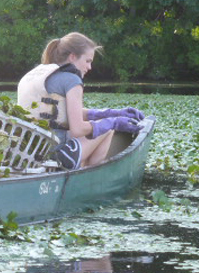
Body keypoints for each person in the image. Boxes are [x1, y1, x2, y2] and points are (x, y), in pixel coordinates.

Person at [17, 32, 144, 170]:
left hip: (29, 151)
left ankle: (85, 166)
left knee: (105, 123)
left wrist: (110, 113)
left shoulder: (38, 75)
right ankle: (91, 174)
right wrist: (112, 122)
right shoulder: (72, 80)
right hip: (58, 155)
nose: (89, 67)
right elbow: (77, 129)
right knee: (107, 129)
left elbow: (58, 113)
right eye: (88, 61)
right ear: (72, 57)